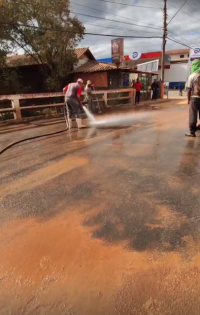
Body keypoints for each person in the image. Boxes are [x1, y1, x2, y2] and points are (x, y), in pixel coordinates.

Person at [186, 59, 200, 137]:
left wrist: (188, 100)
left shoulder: (192, 76)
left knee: (193, 114)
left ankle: (192, 132)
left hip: (194, 98)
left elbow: (189, 90)